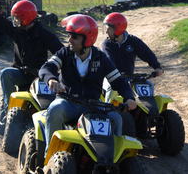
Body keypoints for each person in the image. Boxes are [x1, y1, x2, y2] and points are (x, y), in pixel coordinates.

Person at [38, 14, 137, 158]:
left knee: (116, 119)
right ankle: (50, 157)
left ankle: (113, 159)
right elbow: (46, 68)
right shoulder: (65, 53)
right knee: (54, 109)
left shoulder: (101, 58)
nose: (69, 40)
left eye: (74, 37)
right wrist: (51, 80)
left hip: (93, 105)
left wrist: (129, 97)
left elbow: (118, 81)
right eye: (69, 36)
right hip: (68, 102)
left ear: (87, 39)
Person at [0, 0, 64, 131]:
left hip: (39, 78)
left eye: (16, 18)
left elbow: (62, 53)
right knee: (5, 73)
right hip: (20, 72)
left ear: (25, 18)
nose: (14, 21)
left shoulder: (45, 35)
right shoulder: (16, 31)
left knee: (51, 99)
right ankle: (9, 110)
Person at [101, 12, 164, 102]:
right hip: (111, 77)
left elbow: (146, 53)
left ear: (118, 29)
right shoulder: (106, 43)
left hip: (129, 77)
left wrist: (157, 67)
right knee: (111, 88)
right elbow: (109, 60)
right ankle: (108, 112)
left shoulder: (133, 40)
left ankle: (144, 113)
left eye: (109, 29)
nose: (106, 32)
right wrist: (115, 74)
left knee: (149, 85)